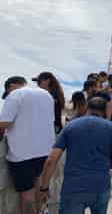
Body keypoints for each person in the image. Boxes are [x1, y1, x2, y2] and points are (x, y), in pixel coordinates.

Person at [39, 97, 112, 214]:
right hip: (100, 186)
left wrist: (44, 188)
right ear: (105, 111)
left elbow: (51, 160)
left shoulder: (71, 126)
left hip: (73, 187)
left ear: (87, 108)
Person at [0, 76, 55, 214]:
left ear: (11, 86)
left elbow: (4, 123)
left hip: (23, 154)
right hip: (45, 151)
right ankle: (40, 211)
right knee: (38, 185)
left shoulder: (15, 94)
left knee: (27, 196)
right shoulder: (46, 94)